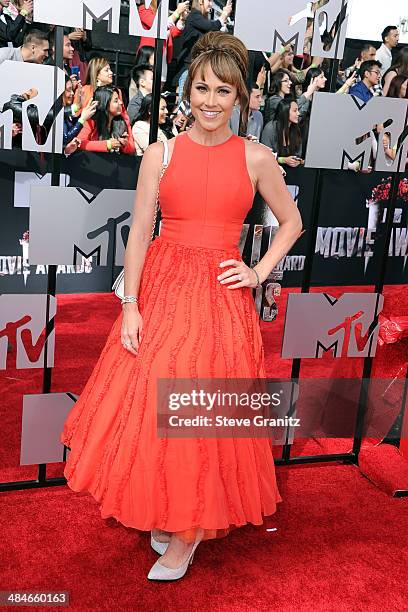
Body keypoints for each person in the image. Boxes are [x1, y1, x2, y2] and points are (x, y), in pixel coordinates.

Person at [60, 30, 302, 582]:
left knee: (199, 409)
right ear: (186, 91)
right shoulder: (160, 153)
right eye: (201, 88)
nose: (210, 101)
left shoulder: (258, 157)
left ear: (241, 98)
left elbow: (292, 223)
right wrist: (130, 305)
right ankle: (170, 508)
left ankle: (187, 533)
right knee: (152, 401)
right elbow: (140, 233)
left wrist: (258, 271)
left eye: (223, 91)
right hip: (165, 289)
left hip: (222, 297)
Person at [175, 0, 233, 98]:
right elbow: (211, 26)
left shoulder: (200, 18)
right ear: (200, 2)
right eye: (209, 1)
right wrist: (224, 14)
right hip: (187, 67)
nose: (211, 4)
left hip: (195, 65)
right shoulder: (194, 15)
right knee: (183, 101)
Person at [137, 0, 189, 83]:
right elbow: (157, 26)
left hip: (162, 58)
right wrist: (177, 12)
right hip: (149, 58)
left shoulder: (163, 13)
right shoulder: (143, 9)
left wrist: (182, 19)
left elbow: (172, 32)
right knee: (146, 87)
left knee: (160, 87)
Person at [77, 85, 135, 154]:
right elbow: (80, 143)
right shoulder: (91, 120)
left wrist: (125, 144)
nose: (121, 102)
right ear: (105, 104)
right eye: (116, 101)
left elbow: (132, 149)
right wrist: (107, 144)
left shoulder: (123, 120)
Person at [261, 98, 303, 167]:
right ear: (285, 112)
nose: (298, 113)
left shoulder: (296, 129)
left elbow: (298, 154)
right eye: (295, 111)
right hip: (272, 168)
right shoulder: (270, 128)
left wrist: (297, 161)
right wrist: (283, 160)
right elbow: (265, 156)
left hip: (292, 170)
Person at [63, 75, 97, 154]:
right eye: (69, 90)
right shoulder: (55, 111)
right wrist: (82, 119)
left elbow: (70, 124)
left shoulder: (65, 110)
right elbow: (65, 138)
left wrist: (83, 109)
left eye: (72, 89)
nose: (72, 93)